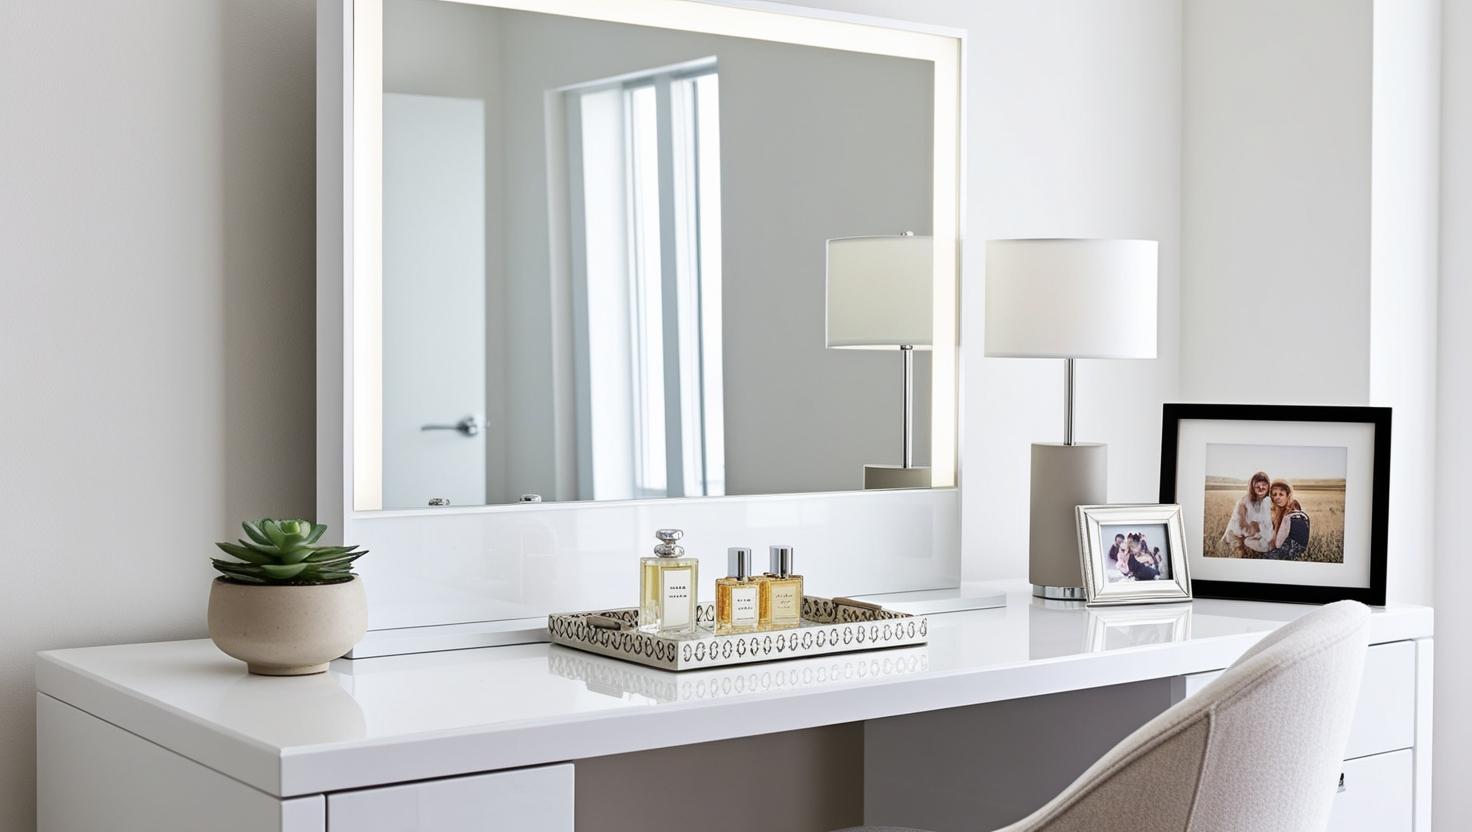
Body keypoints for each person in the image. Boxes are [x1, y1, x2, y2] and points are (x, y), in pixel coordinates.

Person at [1221, 472, 1273, 557]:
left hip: (1254, 534)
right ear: (1252, 487)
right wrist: (1255, 533)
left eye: (1264, 484)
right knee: (1241, 554)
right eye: (1257, 485)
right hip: (1238, 534)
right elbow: (1242, 524)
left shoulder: (1268, 501)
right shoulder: (1244, 502)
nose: (1261, 487)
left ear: (1268, 486)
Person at [1264, 479, 1311, 560]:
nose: (1277, 497)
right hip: (1300, 553)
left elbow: (1277, 544)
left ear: (1288, 495)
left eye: (1281, 494)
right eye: (1274, 495)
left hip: (1287, 554)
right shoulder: (1295, 507)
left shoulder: (1289, 515)